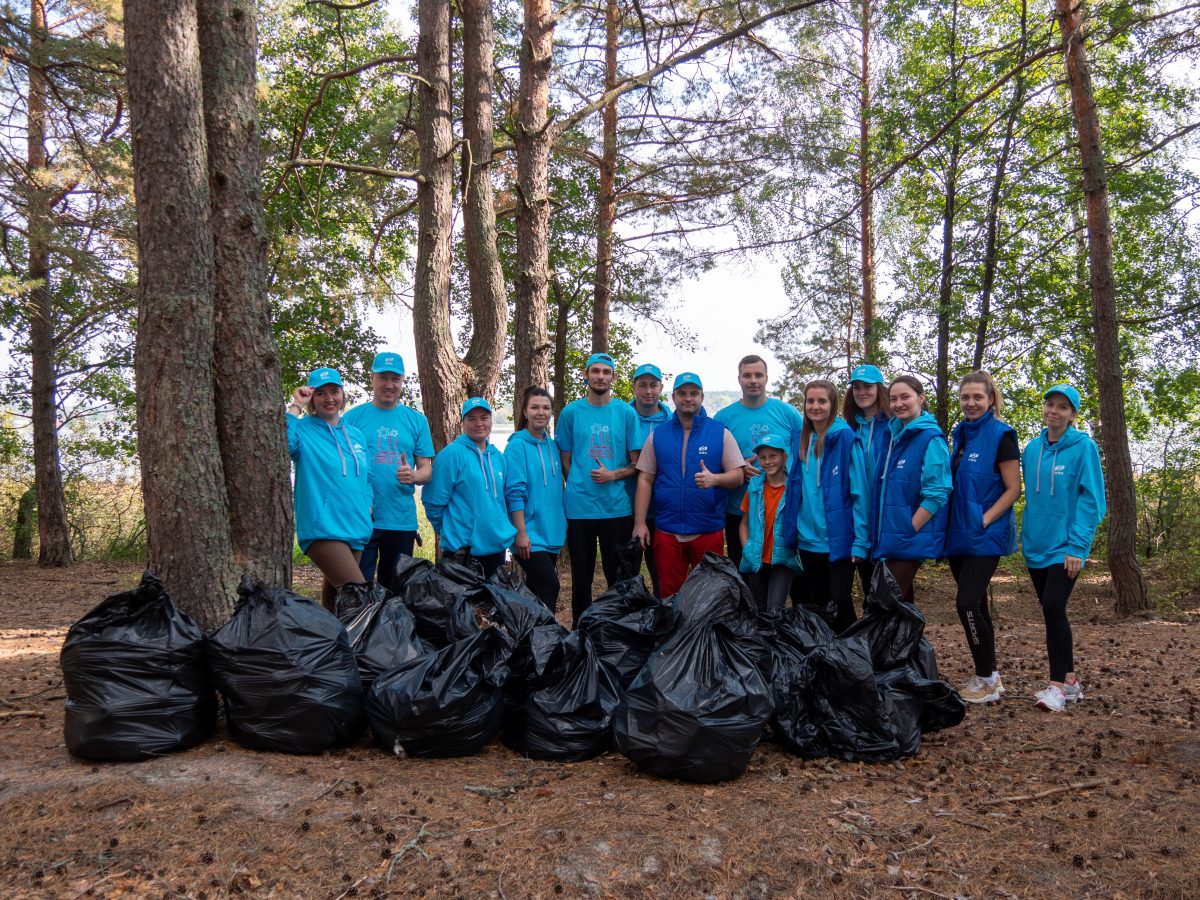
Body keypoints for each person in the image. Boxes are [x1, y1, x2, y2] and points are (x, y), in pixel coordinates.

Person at [1021, 384, 1106, 712]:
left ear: (1073, 414)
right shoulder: (1031, 449)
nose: (1054, 411)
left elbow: (1092, 500)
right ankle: (1070, 683)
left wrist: (1077, 546)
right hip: (1036, 545)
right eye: (1050, 404)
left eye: (1062, 407)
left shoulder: (1083, 447)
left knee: (1054, 607)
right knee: (1050, 611)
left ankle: (1056, 688)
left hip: (1066, 547)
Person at [945, 371, 1021, 704]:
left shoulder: (1001, 435)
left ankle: (985, 678)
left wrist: (984, 519)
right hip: (959, 536)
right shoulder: (960, 434)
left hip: (985, 534)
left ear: (990, 399)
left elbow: (1013, 489)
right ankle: (991, 678)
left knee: (966, 604)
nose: (971, 403)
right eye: (965, 397)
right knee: (978, 606)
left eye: (978, 397)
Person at [633, 373, 745, 597]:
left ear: (702, 397)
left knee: (710, 597)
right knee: (670, 597)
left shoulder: (719, 433)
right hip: (667, 532)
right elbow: (645, 479)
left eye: (693, 393)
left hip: (707, 530)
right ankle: (674, 633)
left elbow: (738, 476)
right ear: (673, 397)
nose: (688, 398)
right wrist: (640, 523)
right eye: (682, 393)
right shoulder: (658, 436)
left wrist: (715, 479)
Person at [556, 353, 641, 622]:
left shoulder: (626, 413)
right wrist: (581, 484)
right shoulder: (571, 412)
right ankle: (582, 630)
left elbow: (636, 464)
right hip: (580, 509)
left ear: (613, 377)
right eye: (596, 371)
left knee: (618, 575)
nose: (600, 376)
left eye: (606, 372)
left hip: (617, 508)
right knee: (582, 575)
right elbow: (566, 462)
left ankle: (617, 628)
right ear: (586, 374)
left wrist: (612, 475)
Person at [342, 351, 434, 591]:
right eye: (384, 377)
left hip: (400, 520)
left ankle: (391, 630)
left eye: (396, 378)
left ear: (402, 381)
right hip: (361, 518)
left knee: (395, 592)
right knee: (357, 588)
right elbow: (340, 467)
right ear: (372, 378)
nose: (390, 384)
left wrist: (414, 476)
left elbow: (427, 469)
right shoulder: (352, 418)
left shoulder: (416, 420)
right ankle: (356, 629)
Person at [783, 380, 868, 632]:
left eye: (822, 401)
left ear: (833, 405)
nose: (816, 406)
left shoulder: (844, 438)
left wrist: (861, 540)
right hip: (807, 539)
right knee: (818, 603)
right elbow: (794, 490)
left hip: (837, 539)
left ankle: (853, 660)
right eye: (811, 401)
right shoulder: (803, 440)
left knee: (840, 602)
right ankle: (829, 660)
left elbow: (859, 493)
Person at [286, 367, 373, 611]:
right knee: (359, 599)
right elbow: (281, 442)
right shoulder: (303, 430)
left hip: (355, 525)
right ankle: (365, 647)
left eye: (334, 391)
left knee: (337, 600)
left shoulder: (355, 434)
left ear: (343, 394)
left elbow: (367, 475)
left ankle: (334, 646)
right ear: (312, 398)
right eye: (321, 393)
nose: (329, 398)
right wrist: (296, 405)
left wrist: (368, 503)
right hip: (323, 527)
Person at [714, 355, 805, 567]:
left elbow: (803, 457)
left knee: (789, 574)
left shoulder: (788, 414)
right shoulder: (722, 418)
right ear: (739, 379)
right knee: (745, 571)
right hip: (739, 510)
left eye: (758, 375)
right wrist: (736, 468)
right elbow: (713, 461)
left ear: (766, 378)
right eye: (747, 375)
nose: (753, 380)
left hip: (782, 510)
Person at [870, 375, 951, 606]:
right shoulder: (892, 436)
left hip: (910, 538)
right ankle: (913, 644)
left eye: (905, 397)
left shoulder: (931, 438)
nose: (898, 403)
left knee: (883, 604)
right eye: (893, 399)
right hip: (891, 537)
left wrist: (909, 527)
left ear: (921, 398)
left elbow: (937, 493)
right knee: (902, 609)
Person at [422, 397, 516, 579]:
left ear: (491, 419)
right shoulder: (451, 455)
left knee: (492, 605)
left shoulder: (498, 457)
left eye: (484, 417)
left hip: (496, 547)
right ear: (463, 422)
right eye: (471, 418)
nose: (479, 423)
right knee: (463, 606)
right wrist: (449, 532)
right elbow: (433, 501)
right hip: (462, 551)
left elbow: (502, 500)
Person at [505, 387, 567, 612]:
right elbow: (514, 492)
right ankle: (546, 639)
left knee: (534, 591)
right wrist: (521, 533)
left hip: (551, 531)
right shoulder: (516, 446)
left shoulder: (552, 445)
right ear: (525, 412)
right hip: (529, 533)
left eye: (546, 407)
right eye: (535, 407)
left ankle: (527, 639)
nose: (541, 412)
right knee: (550, 585)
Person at [737, 434, 800, 615]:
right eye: (763, 457)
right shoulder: (755, 486)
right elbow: (743, 524)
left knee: (774, 611)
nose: (768, 461)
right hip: (756, 557)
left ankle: (776, 642)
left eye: (773, 456)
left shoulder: (793, 488)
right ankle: (764, 643)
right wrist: (747, 548)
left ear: (784, 457)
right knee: (759, 610)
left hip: (783, 558)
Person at [843, 363, 890, 592]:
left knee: (894, 592)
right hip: (859, 521)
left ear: (879, 389)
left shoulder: (892, 426)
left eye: (868, 386)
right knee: (870, 592)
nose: (862, 392)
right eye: (857, 387)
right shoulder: (849, 430)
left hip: (887, 520)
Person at [629, 363, 671, 596]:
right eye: (642, 385)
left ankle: (663, 624)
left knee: (662, 576)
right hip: (626, 508)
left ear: (661, 388)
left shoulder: (672, 422)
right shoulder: (623, 417)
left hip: (662, 511)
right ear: (634, 387)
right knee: (627, 575)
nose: (648, 391)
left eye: (653, 385)